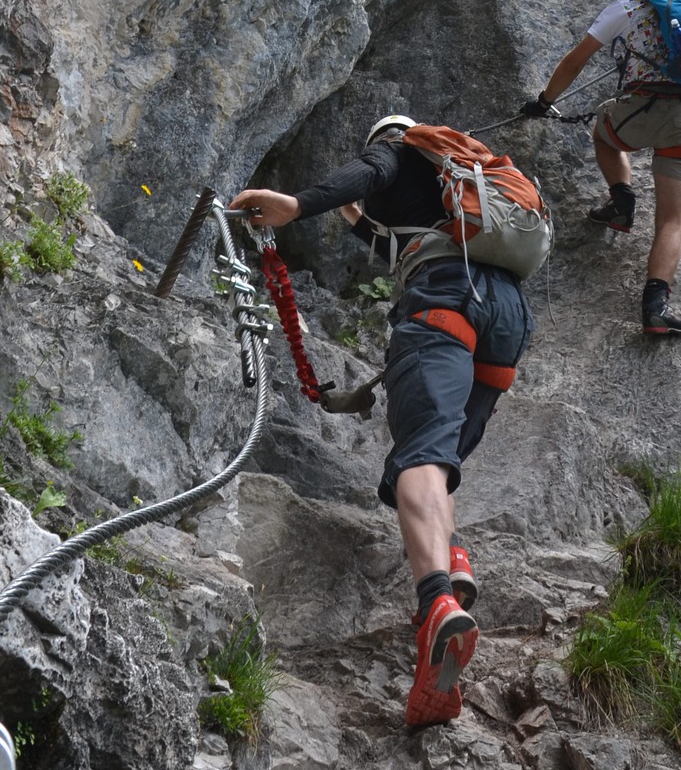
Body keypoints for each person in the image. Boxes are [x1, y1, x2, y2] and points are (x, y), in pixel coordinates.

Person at [229, 115, 537, 728]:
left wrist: (296, 204)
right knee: (440, 460)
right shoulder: (461, 190)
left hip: (447, 299)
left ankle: (437, 605)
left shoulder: (396, 153)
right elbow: (380, 234)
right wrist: (352, 216)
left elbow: (368, 174)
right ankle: (453, 559)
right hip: (507, 317)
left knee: (419, 458)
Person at [521, 0, 681, 337]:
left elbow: (574, 60)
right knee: (673, 221)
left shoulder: (628, 7)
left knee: (603, 132)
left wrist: (544, 102)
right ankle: (656, 309)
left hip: (642, 105)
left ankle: (622, 202)